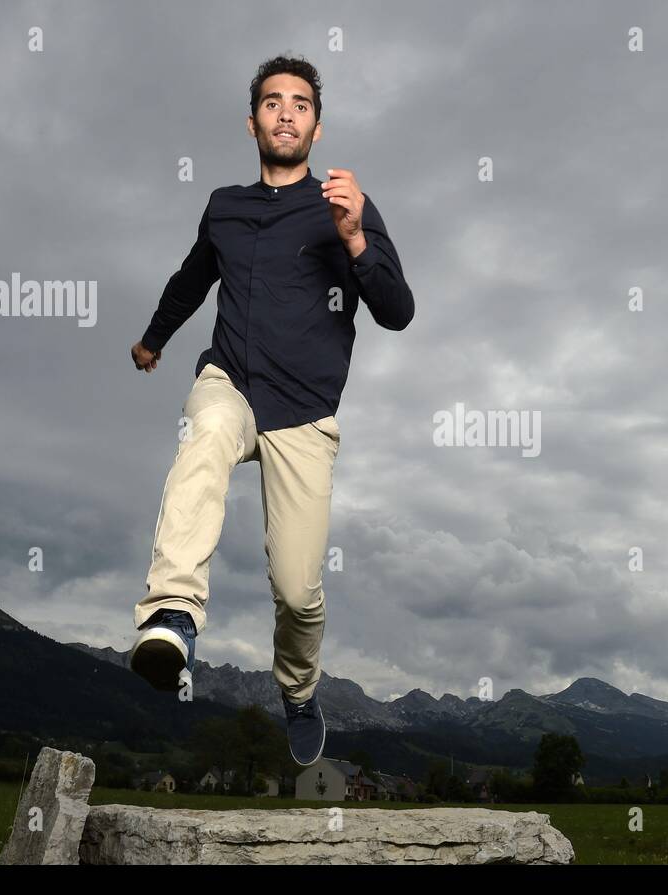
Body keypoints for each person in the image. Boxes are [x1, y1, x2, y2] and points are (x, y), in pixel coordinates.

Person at [126, 54, 415, 766]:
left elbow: (398, 312)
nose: (285, 113)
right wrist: (154, 338)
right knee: (206, 432)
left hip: (305, 412)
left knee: (297, 588)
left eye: (300, 104)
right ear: (251, 120)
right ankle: (173, 614)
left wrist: (355, 239)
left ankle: (298, 688)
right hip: (231, 382)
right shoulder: (224, 206)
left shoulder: (344, 204)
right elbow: (191, 278)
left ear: (316, 125)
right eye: (272, 102)